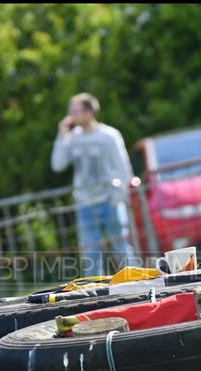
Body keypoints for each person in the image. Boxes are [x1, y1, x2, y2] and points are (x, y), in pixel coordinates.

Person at [51, 92, 135, 277]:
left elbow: (123, 167)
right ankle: (95, 291)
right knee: (90, 253)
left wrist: (118, 196)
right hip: (85, 203)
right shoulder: (72, 138)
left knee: (120, 246)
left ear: (89, 112)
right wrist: (61, 136)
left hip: (109, 200)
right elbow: (57, 165)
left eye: (75, 111)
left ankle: (136, 283)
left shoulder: (109, 135)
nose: (71, 115)